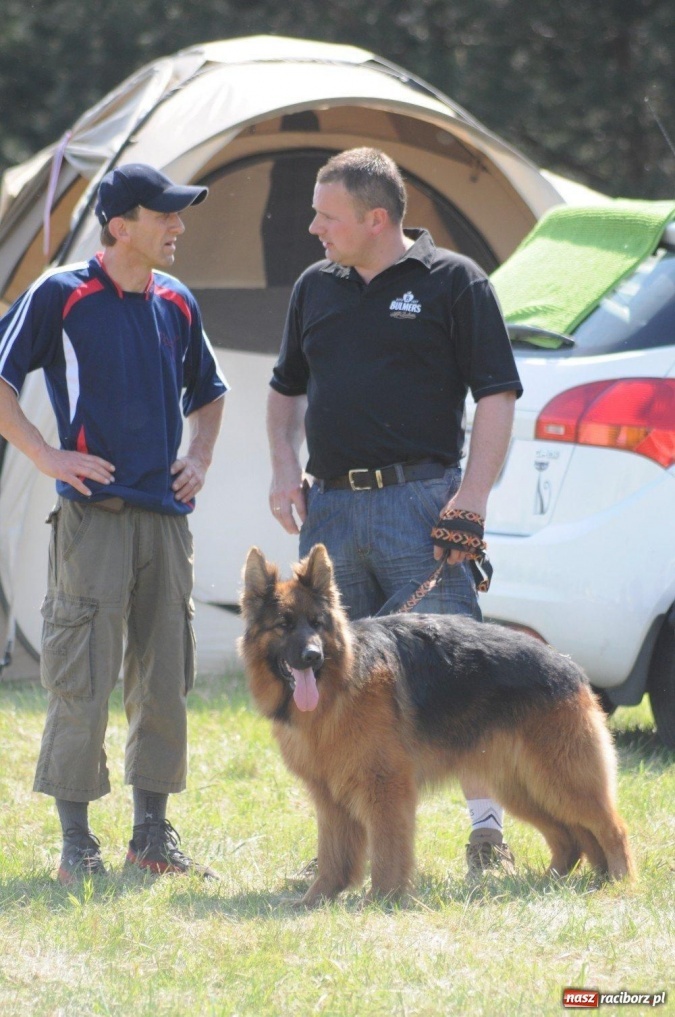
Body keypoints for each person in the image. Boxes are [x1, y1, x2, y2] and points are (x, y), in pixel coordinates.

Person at [266, 147, 522, 879]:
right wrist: (285, 468)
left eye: (326, 215)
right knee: (328, 678)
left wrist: (469, 499)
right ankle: (337, 852)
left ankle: (486, 834)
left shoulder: (455, 283)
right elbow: (284, 390)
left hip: (422, 503)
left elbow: (496, 394)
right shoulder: (314, 286)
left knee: (455, 668)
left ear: (376, 218)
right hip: (331, 508)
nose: (313, 228)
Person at [0, 163, 228, 883]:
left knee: (164, 674)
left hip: (165, 520)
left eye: (178, 215)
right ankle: (77, 845)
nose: (178, 227)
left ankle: (152, 836)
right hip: (92, 519)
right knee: (82, 675)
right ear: (120, 224)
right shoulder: (60, 295)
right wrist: (45, 454)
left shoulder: (177, 302)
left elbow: (210, 392)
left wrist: (199, 456)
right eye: (164, 215)